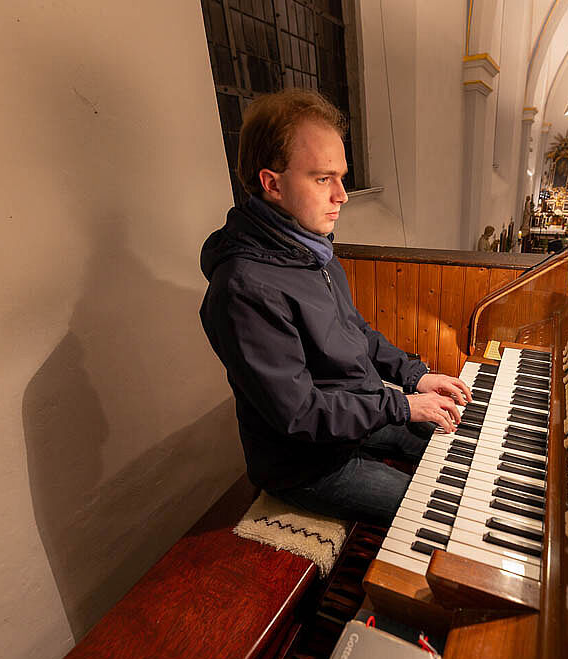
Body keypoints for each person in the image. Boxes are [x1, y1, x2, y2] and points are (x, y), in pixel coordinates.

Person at [199, 89, 472, 526]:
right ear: (272, 183)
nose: (342, 195)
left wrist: (414, 376)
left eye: (342, 177)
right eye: (323, 178)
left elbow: (356, 331)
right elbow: (299, 413)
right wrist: (401, 407)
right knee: (447, 511)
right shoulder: (243, 288)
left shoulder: (310, 249)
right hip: (308, 464)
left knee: (468, 450)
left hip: (355, 415)